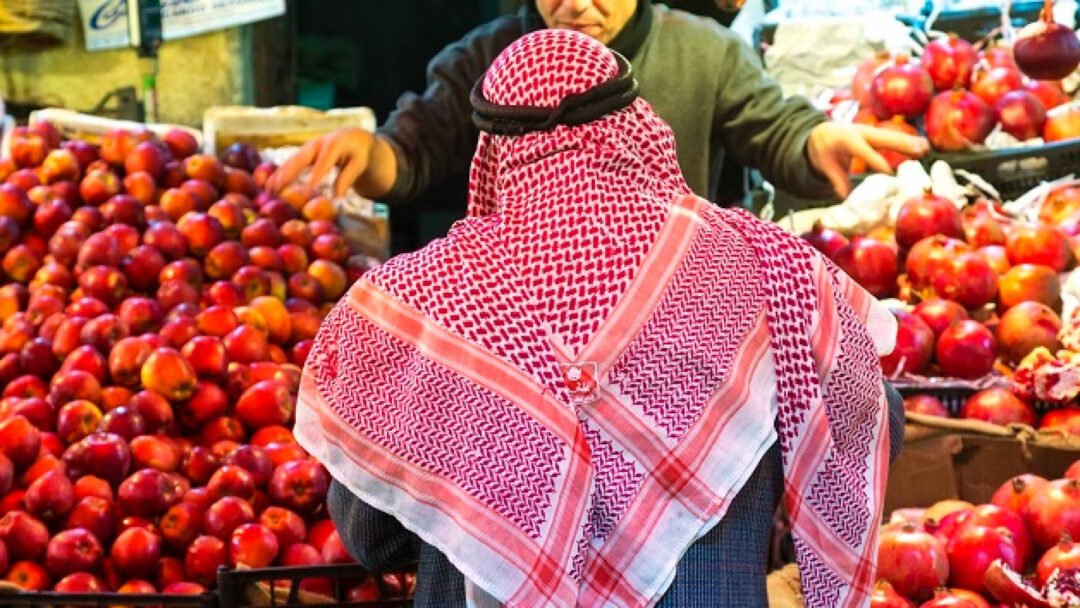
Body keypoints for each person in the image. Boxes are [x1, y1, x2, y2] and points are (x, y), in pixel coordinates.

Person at [294, 29, 905, 607]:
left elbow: (372, 538)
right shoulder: (762, 262)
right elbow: (872, 419)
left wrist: (484, 494)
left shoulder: (416, 303)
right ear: (635, 121)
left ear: (493, 149)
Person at [268, 0, 928, 250]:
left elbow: (777, 128)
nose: (578, 6)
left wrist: (818, 140)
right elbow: (414, 151)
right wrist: (368, 153)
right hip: (528, 328)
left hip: (671, 316)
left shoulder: (704, 52)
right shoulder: (485, 58)